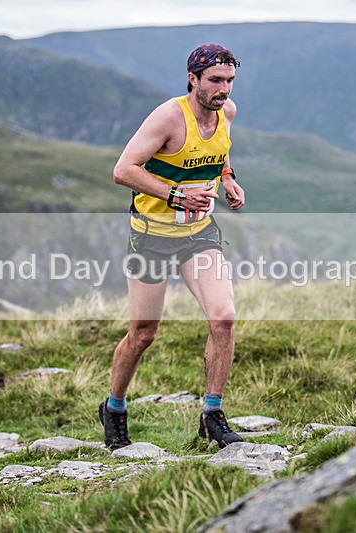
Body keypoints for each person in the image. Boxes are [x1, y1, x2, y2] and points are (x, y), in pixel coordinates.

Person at [99, 44, 246, 450]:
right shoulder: (168, 117)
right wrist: (178, 196)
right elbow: (122, 170)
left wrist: (229, 178)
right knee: (143, 334)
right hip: (151, 236)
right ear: (192, 79)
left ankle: (212, 415)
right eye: (215, 81)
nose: (223, 90)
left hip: (199, 234)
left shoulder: (226, 113)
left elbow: (220, 152)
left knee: (224, 319)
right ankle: (114, 407)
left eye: (230, 81)